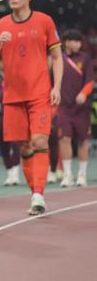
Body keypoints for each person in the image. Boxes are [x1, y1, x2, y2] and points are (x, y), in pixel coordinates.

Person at [0, 0, 63, 215]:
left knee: (39, 141)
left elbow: (57, 57)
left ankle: (38, 194)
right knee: (24, 148)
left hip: (40, 93)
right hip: (12, 96)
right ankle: (35, 193)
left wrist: (56, 86)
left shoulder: (44, 21)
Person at [56, 29, 92, 187]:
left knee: (83, 140)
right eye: (75, 41)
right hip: (64, 107)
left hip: (82, 109)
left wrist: (84, 93)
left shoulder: (85, 58)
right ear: (66, 42)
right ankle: (67, 174)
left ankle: (82, 175)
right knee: (64, 139)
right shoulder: (58, 59)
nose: (78, 44)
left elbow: (90, 81)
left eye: (79, 41)